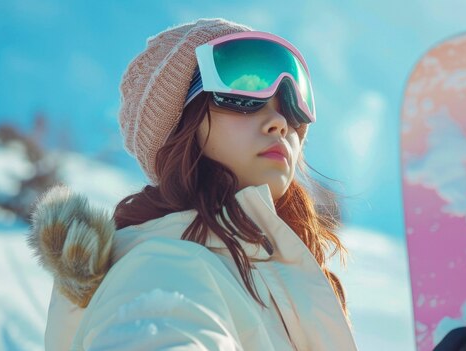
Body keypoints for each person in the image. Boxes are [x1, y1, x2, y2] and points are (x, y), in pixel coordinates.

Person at [27, 18, 357, 350]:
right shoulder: (161, 269)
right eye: (243, 95)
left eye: (290, 106)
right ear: (181, 124)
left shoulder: (270, 282)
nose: (279, 122)